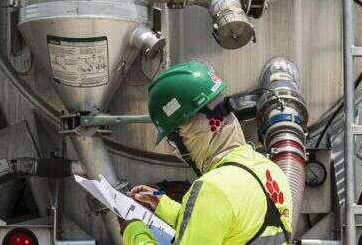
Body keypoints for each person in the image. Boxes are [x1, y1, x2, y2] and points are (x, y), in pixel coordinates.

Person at [121, 62, 292, 245]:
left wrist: (134, 230)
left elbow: (215, 210)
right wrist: (163, 205)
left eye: (173, 141)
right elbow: (226, 224)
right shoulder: (269, 169)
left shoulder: (213, 189)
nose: (175, 150)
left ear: (188, 133)